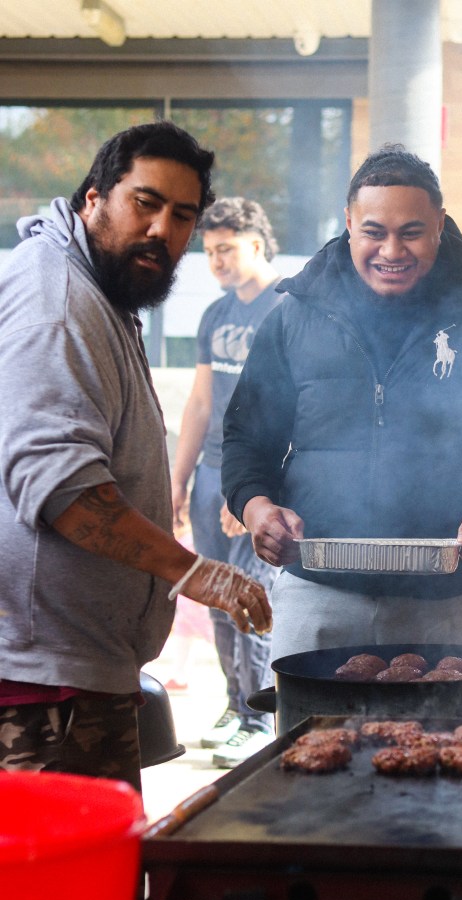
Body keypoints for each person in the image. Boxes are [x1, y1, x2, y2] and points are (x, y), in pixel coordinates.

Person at [0, 122, 271, 792]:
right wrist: (193, 572)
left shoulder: (98, 287)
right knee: (69, 863)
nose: (161, 230)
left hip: (77, 668)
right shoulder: (58, 303)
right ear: (94, 198)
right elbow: (62, 491)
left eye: (182, 216)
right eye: (144, 203)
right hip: (42, 686)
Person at [222, 143, 462, 666]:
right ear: (349, 223)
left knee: (446, 725)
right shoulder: (294, 318)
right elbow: (247, 438)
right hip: (317, 595)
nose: (391, 250)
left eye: (411, 232)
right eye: (374, 232)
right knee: (305, 723)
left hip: (446, 604)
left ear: (439, 225)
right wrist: (256, 509)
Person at [171, 198, 281, 767]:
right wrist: (178, 479)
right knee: (215, 592)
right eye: (210, 251)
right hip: (210, 472)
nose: (216, 260)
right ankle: (236, 705)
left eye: (226, 249)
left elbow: (290, 411)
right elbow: (199, 403)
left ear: (256, 245)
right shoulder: (215, 314)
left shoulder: (286, 308)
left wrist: (253, 492)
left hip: (255, 473)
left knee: (251, 592)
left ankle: (259, 717)